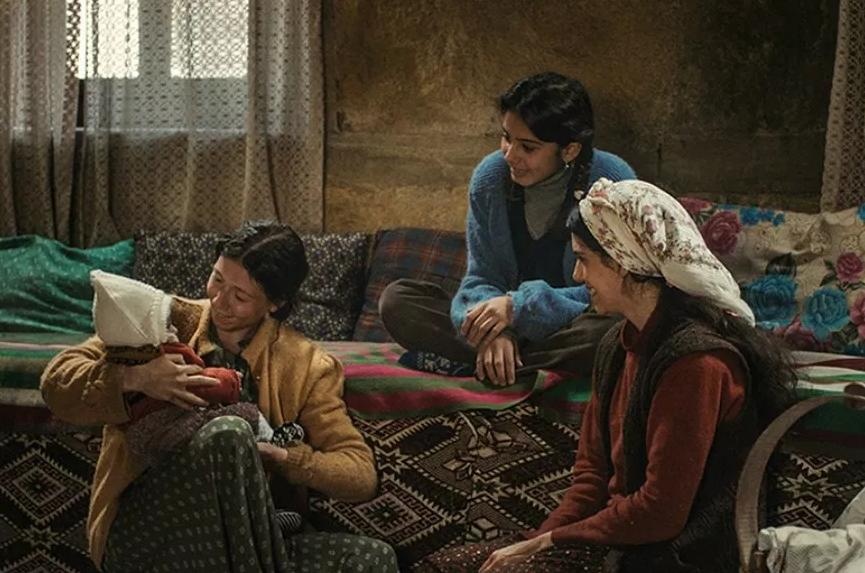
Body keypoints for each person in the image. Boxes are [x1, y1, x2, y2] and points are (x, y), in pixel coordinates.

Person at [415, 179, 796, 573]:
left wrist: (551, 542)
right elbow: (591, 480)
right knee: (444, 567)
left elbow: (661, 512)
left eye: (584, 260)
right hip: (616, 544)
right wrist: (535, 545)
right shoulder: (618, 345)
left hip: (673, 558)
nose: (577, 275)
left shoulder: (696, 364)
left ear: (623, 261)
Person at [41, 222, 398, 572]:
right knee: (229, 432)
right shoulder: (162, 319)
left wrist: (282, 458)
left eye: (240, 296)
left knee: (373, 559)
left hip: (255, 537)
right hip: (151, 529)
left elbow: (359, 474)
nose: (219, 301)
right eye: (217, 279)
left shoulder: (307, 365)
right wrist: (137, 377)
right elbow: (56, 380)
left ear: (275, 304)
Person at [379, 71, 636, 387]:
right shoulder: (490, 178)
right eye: (506, 137)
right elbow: (482, 277)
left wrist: (518, 310)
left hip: (573, 322)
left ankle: (479, 364)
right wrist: (496, 332)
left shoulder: (612, 181)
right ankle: (511, 361)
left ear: (569, 150)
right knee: (399, 301)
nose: (510, 155)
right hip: (503, 320)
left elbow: (612, 290)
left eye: (528, 147)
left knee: (611, 333)